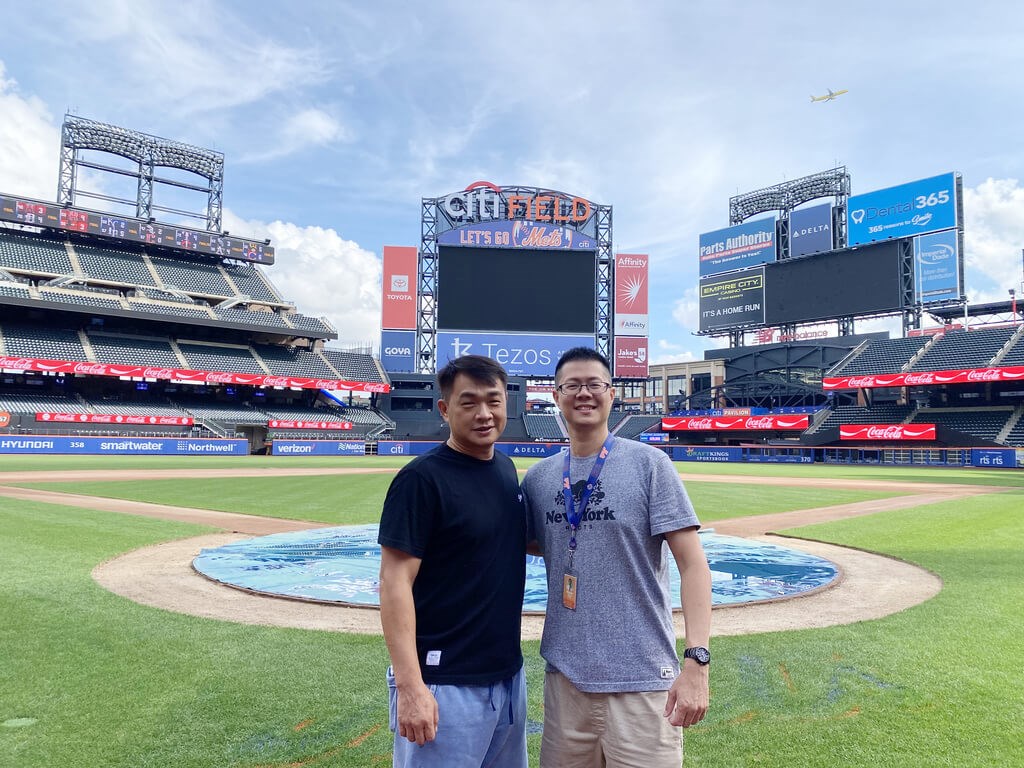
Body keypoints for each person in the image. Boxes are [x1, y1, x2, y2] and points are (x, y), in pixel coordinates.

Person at [523, 347, 712, 767]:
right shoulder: (538, 480)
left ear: (611, 394)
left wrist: (697, 660)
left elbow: (693, 565)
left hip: (643, 684)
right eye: (572, 385)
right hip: (565, 684)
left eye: (594, 384)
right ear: (556, 396)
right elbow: (524, 543)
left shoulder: (651, 466)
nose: (583, 393)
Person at [378, 354, 528, 768]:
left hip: (507, 677)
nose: (484, 413)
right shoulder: (420, 480)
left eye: (493, 401)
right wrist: (410, 686)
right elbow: (393, 583)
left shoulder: (504, 469)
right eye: (469, 402)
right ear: (444, 409)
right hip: (443, 683)